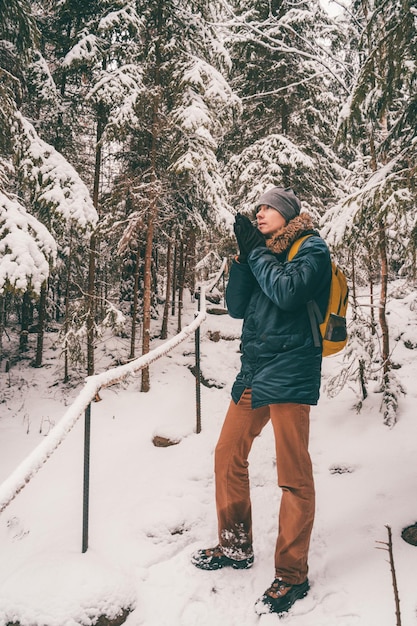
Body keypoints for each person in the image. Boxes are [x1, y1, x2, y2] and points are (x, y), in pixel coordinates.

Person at [191, 186, 332, 615]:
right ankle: (235, 546)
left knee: (293, 474)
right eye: (257, 209)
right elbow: (237, 308)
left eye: (268, 207)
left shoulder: (312, 250)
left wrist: (257, 256)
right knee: (227, 453)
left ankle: (292, 575)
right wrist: (242, 258)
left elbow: (289, 293)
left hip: (290, 371)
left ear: (288, 214)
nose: (260, 212)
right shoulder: (263, 253)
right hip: (255, 370)